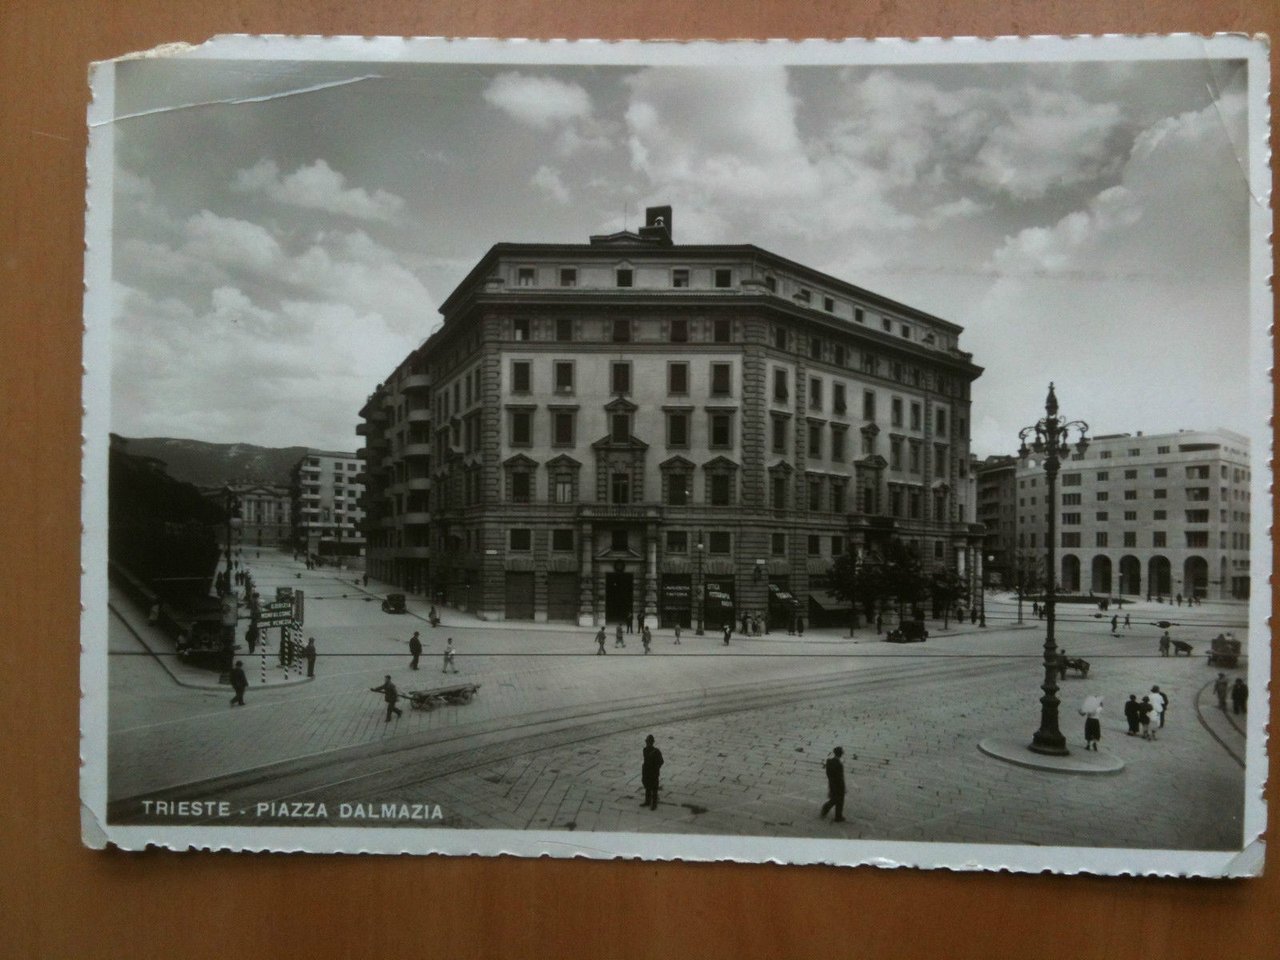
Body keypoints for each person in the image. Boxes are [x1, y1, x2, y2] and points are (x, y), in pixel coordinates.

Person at [820, 746, 846, 822]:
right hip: (838, 785)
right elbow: (840, 777)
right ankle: (836, 815)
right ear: (840, 754)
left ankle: (835, 814)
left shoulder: (829, 762)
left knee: (835, 798)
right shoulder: (839, 764)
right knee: (839, 800)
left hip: (832, 783)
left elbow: (828, 774)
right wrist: (843, 786)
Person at [641, 734, 664, 810]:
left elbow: (661, 761)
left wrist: (656, 768)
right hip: (647, 772)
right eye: (647, 742)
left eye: (648, 742)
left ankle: (654, 804)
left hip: (654, 773)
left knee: (654, 789)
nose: (647, 743)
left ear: (652, 743)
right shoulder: (645, 750)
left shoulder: (656, 751)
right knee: (647, 787)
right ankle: (647, 801)